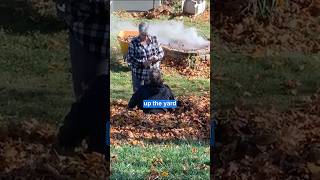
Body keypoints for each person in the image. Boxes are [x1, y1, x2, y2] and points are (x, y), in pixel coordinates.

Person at [53, 0, 109, 157]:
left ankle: (99, 150)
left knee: (94, 100)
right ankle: (98, 150)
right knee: (91, 100)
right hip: (89, 33)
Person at [126, 22, 165, 92]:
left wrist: (156, 58)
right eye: (143, 35)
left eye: (146, 34)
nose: (145, 37)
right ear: (139, 32)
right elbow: (130, 59)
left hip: (153, 75)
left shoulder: (154, 39)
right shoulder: (133, 43)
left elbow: (161, 53)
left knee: (152, 94)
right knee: (138, 94)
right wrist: (142, 63)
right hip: (139, 74)